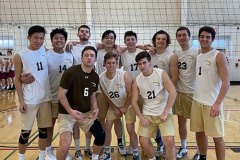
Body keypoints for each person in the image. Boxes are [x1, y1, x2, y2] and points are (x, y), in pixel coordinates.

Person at [56, 46, 105, 160]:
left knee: (101, 135)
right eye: (86, 55)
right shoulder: (71, 72)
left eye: (92, 56)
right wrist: (70, 111)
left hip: (85, 113)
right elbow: (61, 94)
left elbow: (92, 95)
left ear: (95, 59)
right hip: (67, 113)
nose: (89, 58)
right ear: (81, 58)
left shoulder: (95, 76)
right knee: (64, 146)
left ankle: (95, 157)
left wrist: (95, 108)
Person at [190, 26, 230, 160]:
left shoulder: (218, 56)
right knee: (199, 133)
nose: (204, 39)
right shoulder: (199, 55)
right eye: (202, 36)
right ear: (198, 38)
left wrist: (217, 103)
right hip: (197, 101)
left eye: (208, 37)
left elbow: (226, 82)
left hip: (211, 104)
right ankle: (203, 156)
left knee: (217, 137)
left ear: (212, 39)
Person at [14, 25, 52, 160]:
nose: (39, 41)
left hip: (45, 99)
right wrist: (21, 101)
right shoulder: (20, 55)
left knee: (43, 132)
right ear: (28, 37)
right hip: (29, 99)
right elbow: (16, 79)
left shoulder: (45, 51)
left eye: (42, 38)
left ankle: (42, 157)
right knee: (25, 133)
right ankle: (21, 158)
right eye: (36, 37)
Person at [131, 51, 177, 160]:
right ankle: (152, 158)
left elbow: (173, 92)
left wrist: (165, 112)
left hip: (163, 112)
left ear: (149, 63)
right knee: (143, 141)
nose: (142, 66)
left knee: (169, 141)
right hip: (148, 113)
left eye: (144, 63)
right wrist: (141, 118)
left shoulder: (161, 73)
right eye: (139, 64)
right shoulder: (138, 80)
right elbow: (133, 101)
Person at [99, 52, 139, 160]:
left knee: (130, 128)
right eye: (108, 63)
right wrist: (113, 106)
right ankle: (107, 152)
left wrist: (125, 107)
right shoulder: (101, 78)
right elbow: (106, 95)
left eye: (113, 63)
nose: (111, 65)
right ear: (104, 63)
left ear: (117, 63)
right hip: (115, 106)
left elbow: (131, 93)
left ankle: (135, 153)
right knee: (107, 127)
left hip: (128, 104)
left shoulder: (124, 74)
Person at [96, 30, 127, 155]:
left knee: (116, 119)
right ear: (102, 40)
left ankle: (120, 142)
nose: (109, 40)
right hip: (101, 90)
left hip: (116, 89)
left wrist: (117, 46)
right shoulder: (97, 50)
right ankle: (104, 143)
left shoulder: (118, 51)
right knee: (102, 119)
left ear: (115, 40)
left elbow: (132, 46)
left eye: (112, 38)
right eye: (106, 38)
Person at [45, 28, 74, 160]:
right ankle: (48, 150)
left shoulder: (70, 55)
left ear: (65, 40)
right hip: (50, 97)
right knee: (49, 126)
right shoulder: (46, 55)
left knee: (65, 128)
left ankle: (63, 150)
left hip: (66, 99)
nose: (59, 40)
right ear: (51, 40)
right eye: (56, 38)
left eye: (62, 38)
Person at [173, 27, 200, 159]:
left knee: (197, 124)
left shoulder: (197, 51)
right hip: (178, 92)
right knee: (181, 122)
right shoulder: (176, 52)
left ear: (189, 36)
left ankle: (200, 150)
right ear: (177, 38)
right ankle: (183, 147)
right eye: (179, 35)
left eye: (184, 35)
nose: (182, 37)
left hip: (192, 92)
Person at [151, 30, 179, 156]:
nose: (161, 41)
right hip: (150, 94)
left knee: (163, 120)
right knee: (153, 121)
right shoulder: (149, 54)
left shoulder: (171, 56)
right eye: (158, 38)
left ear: (167, 41)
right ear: (154, 41)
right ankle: (158, 143)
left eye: (163, 39)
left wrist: (164, 91)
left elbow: (174, 77)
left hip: (164, 94)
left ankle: (165, 146)